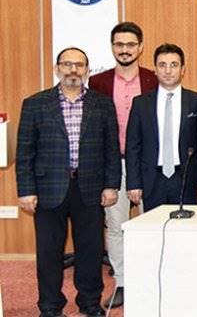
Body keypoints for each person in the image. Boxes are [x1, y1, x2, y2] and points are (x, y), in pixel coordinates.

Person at [16, 47, 121, 317]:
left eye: (79, 65)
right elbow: (25, 152)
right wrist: (26, 190)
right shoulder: (35, 103)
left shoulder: (102, 104)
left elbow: (112, 149)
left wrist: (111, 185)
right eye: (67, 64)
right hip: (48, 189)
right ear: (57, 69)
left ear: (87, 70)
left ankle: (89, 302)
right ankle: (50, 306)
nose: (73, 70)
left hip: (91, 189)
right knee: (49, 252)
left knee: (91, 250)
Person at [87, 21, 158, 308]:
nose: (125, 49)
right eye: (119, 44)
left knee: (151, 223)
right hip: (113, 164)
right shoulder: (98, 82)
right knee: (116, 226)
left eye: (130, 44)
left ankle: (151, 280)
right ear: (112, 47)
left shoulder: (154, 78)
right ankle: (123, 283)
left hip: (148, 165)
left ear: (140, 47)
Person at [125, 44, 197, 212]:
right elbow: (133, 146)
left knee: (187, 227)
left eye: (174, 65)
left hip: (186, 179)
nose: (168, 71)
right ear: (155, 70)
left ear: (183, 69)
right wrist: (134, 183)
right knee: (154, 227)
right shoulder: (140, 103)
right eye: (162, 65)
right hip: (152, 180)